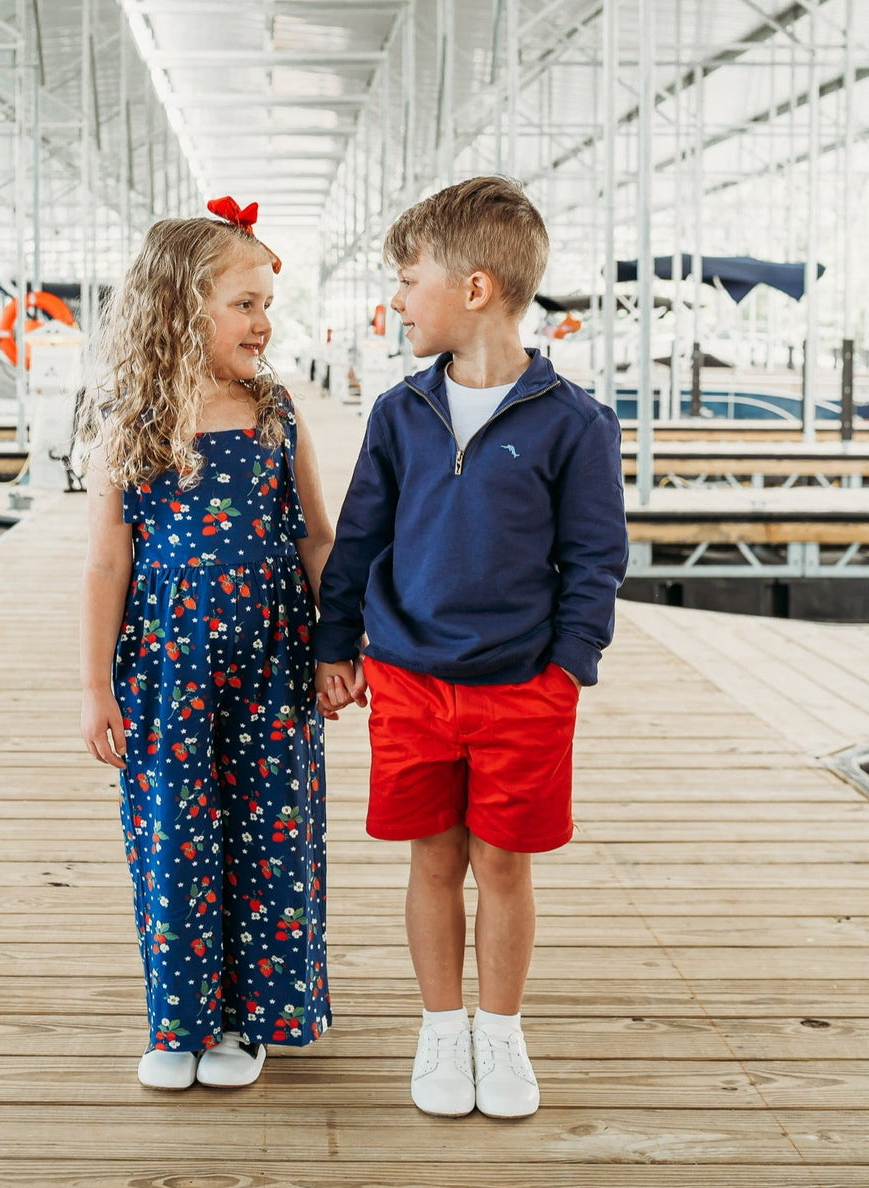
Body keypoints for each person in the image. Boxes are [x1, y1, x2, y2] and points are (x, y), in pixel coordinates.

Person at [314, 176, 628, 1119]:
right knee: (434, 861)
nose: (397, 300)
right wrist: (337, 644)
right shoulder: (399, 413)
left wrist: (568, 670)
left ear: (477, 288)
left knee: (503, 864)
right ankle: (442, 1029)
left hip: (524, 690)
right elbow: (359, 540)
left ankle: (501, 1029)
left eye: (409, 280)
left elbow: (596, 559)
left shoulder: (575, 423)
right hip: (408, 681)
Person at [79, 198, 335, 1092]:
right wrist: (95, 687)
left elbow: (314, 537)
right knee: (172, 836)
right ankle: (177, 1020)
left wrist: (338, 645)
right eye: (246, 303)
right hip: (164, 668)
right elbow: (110, 561)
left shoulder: (274, 409)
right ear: (183, 306)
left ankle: (246, 1020)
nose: (265, 323)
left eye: (267, 303)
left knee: (269, 835)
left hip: (271, 662)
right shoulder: (131, 416)